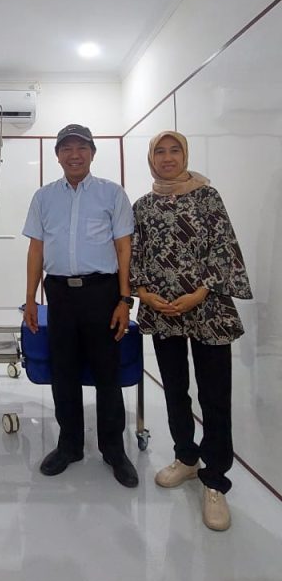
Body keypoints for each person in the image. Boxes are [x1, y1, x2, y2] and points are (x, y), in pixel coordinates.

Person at [131, 131, 252, 531]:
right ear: (151, 159)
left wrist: (200, 292)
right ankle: (186, 456)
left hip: (208, 309)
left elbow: (224, 248)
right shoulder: (143, 206)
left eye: (175, 150)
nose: (167, 158)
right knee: (175, 388)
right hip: (163, 311)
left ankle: (214, 479)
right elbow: (135, 254)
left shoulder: (207, 197)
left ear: (185, 155)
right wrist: (144, 293)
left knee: (214, 394)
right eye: (160, 152)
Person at [23, 124, 138, 486]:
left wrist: (125, 299)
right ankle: (69, 445)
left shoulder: (111, 193)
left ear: (92, 153)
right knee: (64, 372)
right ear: (57, 155)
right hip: (59, 295)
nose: (74, 155)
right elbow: (36, 249)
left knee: (107, 372)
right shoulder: (44, 197)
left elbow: (123, 248)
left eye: (81, 148)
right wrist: (30, 299)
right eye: (67, 148)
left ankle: (113, 449)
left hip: (101, 293)